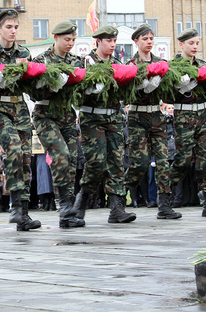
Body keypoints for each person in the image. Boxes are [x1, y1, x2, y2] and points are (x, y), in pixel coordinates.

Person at [0, 9, 40, 231]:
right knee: (14, 150)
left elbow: (30, 82)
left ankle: (23, 212)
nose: (13, 31)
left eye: (16, 27)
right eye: (8, 27)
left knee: (25, 159)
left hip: (20, 107)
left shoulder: (24, 52)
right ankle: (15, 206)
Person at [74, 25, 136, 224]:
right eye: (109, 41)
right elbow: (75, 93)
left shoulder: (117, 64)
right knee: (96, 162)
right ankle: (82, 201)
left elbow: (125, 93)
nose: (113, 44)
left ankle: (117, 209)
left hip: (114, 118)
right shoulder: (85, 62)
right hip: (92, 119)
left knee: (116, 162)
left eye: (115, 41)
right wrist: (88, 89)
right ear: (98, 41)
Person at [31, 21, 85, 228]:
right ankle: (64, 207)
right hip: (45, 114)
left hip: (67, 114)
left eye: (73, 39)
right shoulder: (42, 60)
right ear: (56, 38)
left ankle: (68, 212)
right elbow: (33, 93)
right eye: (67, 39)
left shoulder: (76, 61)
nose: (70, 43)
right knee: (61, 156)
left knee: (70, 162)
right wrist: (50, 86)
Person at [125, 23, 181, 219]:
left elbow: (169, 94)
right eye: (145, 39)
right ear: (136, 41)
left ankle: (164, 205)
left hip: (157, 115)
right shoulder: (130, 64)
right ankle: (120, 195)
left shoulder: (161, 63)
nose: (149, 42)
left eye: (151, 38)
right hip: (137, 116)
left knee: (163, 162)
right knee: (140, 163)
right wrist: (141, 87)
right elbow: (125, 94)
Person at [168, 28, 206, 217]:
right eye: (191, 43)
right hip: (184, 116)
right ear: (181, 44)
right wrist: (179, 88)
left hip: (203, 115)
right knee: (183, 160)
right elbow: (166, 96)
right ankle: (165, 194)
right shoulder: (173, 66)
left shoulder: (204, 65)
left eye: (197, 43)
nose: (195, 46)